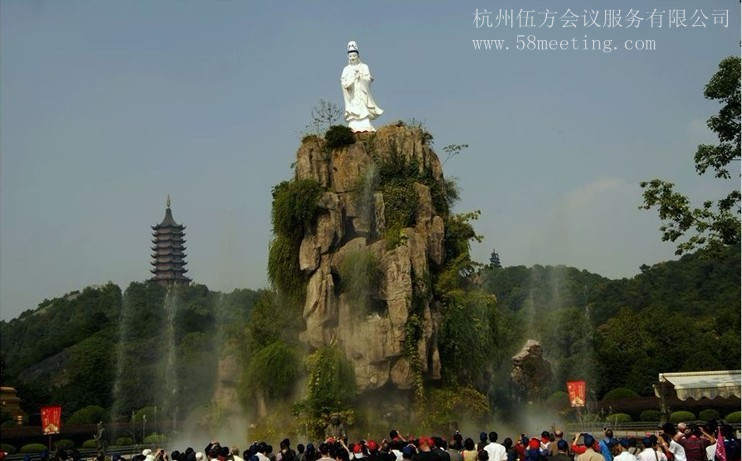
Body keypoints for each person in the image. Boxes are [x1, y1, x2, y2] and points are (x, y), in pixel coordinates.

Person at [340, 41, 383, 132]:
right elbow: (343, 82)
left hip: (361, 91)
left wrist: (360, 78)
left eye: (354, 56)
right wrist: (349, 83)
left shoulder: (364, 67)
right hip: (352, 94)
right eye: (350, 56)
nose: (352, 58)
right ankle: (353, 124)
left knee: (363, 106)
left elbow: (368, 79)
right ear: (348, 57)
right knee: (353, 107)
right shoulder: (346, 69)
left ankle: (365, 123)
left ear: (358, 56)